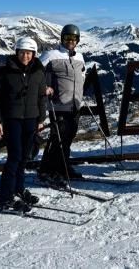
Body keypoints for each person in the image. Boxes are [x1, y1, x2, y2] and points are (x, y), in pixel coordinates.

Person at [0, 36, 46, 211]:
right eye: (22, 52)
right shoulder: (6, 72)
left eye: (29, 53)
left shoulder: (38, 72)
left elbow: (41, 97)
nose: (25, 56)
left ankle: (18, 189)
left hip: (31, 119)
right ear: (16, 52)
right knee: (14, 158)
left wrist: (41, 119)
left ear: (34, 54)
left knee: (24, 157)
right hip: (12, 119)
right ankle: (3, 197)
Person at [37, 24, 86, 186]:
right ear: (62, 38)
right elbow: (35, 72)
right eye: (67, 38)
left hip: (74, 106)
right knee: (58, 139)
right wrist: (44, 87)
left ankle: (63, 167)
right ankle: (50, 171)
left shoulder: (80, 57)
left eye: (74, 38)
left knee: (68, 138)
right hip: (58, 105)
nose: (70, 41)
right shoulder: (51, 55)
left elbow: (82, 76)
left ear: (77, 40)